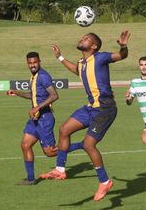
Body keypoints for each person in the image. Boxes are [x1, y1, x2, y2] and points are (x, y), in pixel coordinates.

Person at [39, 31, 130, 201]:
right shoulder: (82, 62)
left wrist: (123, 45)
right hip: (91, 108)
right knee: (64, 130)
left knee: (89, 145)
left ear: (94, 46)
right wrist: (60, 58)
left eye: (86, 38)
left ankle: (104, 181)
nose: (82, 38)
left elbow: (122, 55)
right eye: (83, 37)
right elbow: (77, 70)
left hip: (105, 108)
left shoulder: (101, 57)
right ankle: (60, 170)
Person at [7, 52, 84, 185]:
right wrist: (17, 92)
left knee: (49, 152)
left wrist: (37, 108)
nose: (32, 65)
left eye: (35, 62)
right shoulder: (33, 77)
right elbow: (33, 96)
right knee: (25, 145)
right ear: (27, 63)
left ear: (39, 62)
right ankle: (31, 179)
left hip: (45, 118)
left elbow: (54, 95)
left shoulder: (43, 76)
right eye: (30, 63)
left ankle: (81, 145)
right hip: (35, 120)